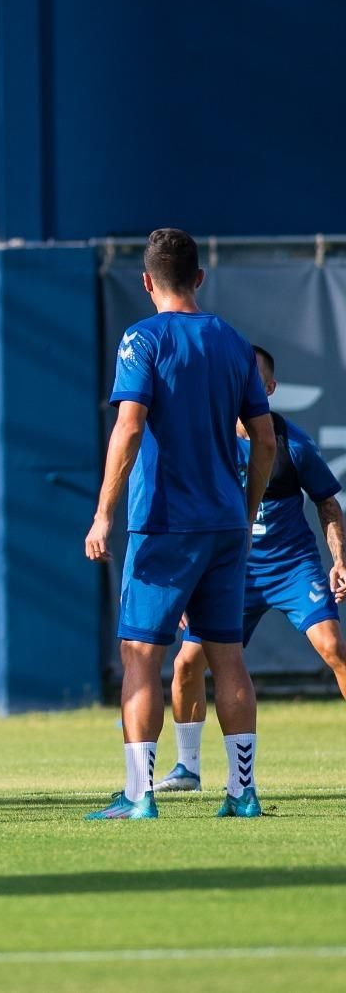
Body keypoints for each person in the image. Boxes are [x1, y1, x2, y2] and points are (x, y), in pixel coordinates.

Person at [84, 228, 276, 820]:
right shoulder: (233, 341)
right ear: (199, 278)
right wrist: (244, 511)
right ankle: (242, 793)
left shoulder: (142, 338)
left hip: (165, 522)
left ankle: (140, 797)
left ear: (146, 282)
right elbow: (264, 440)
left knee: (142, 655)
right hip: (223, 522)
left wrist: (103, 513)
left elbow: (130, 427)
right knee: (228, 659)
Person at [159, 344, 346, 791]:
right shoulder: (209, 445)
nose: (244, 390)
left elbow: (327, 503)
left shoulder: (292, 445)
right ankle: (187, 768)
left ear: (269, 388)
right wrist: (186, 583)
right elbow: (187, 514)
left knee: (335, 650)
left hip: (291, 569)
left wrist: (339, 560)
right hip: (229, 574)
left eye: (253, 383)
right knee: (186, 665)